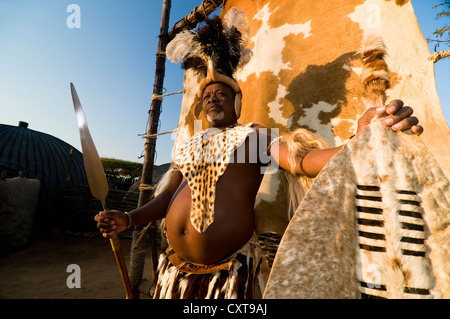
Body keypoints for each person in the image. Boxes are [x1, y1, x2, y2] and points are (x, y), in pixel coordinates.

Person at [95, 79, 423, 298]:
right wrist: (129, 217)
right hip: (173, 271)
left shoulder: (254, 137)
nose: (212, 98)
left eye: (221, 93)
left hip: (227, 276)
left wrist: (359, 140)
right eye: (207, 95)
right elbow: (167, 199)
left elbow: (303, 160)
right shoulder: (189, 146)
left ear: (237, 102)